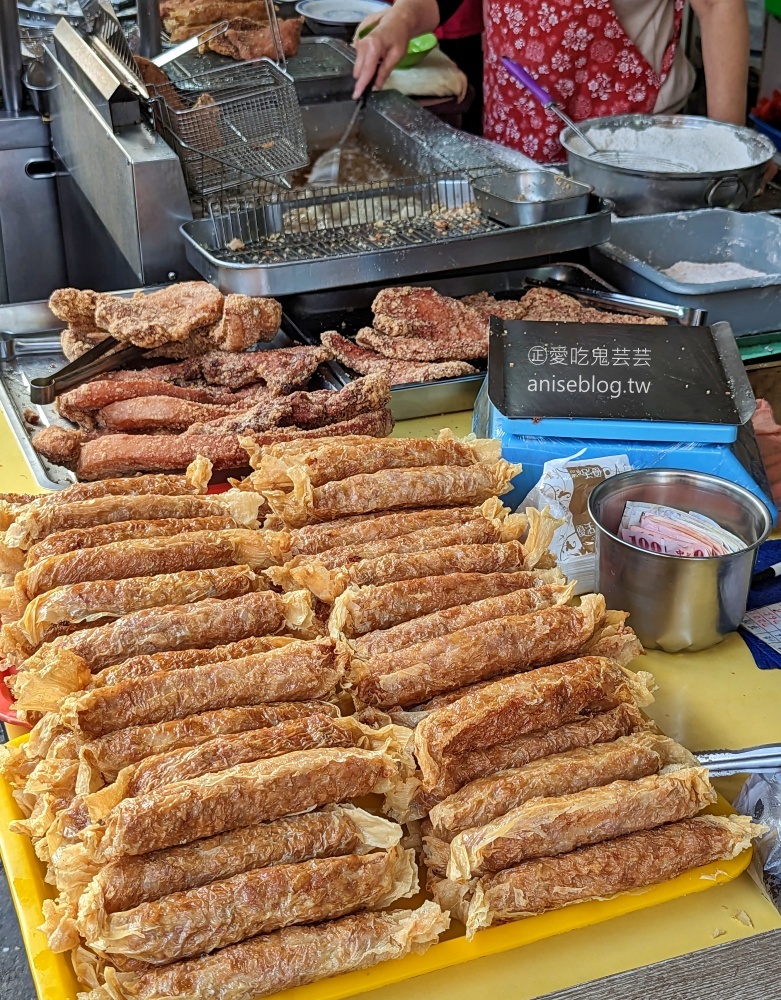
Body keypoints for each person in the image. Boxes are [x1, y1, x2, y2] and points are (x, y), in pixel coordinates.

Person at [352, 0, 750, 163]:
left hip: (637, 155)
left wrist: (729, 149)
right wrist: (403, 18)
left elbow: (717, 7)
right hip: (513, 151)